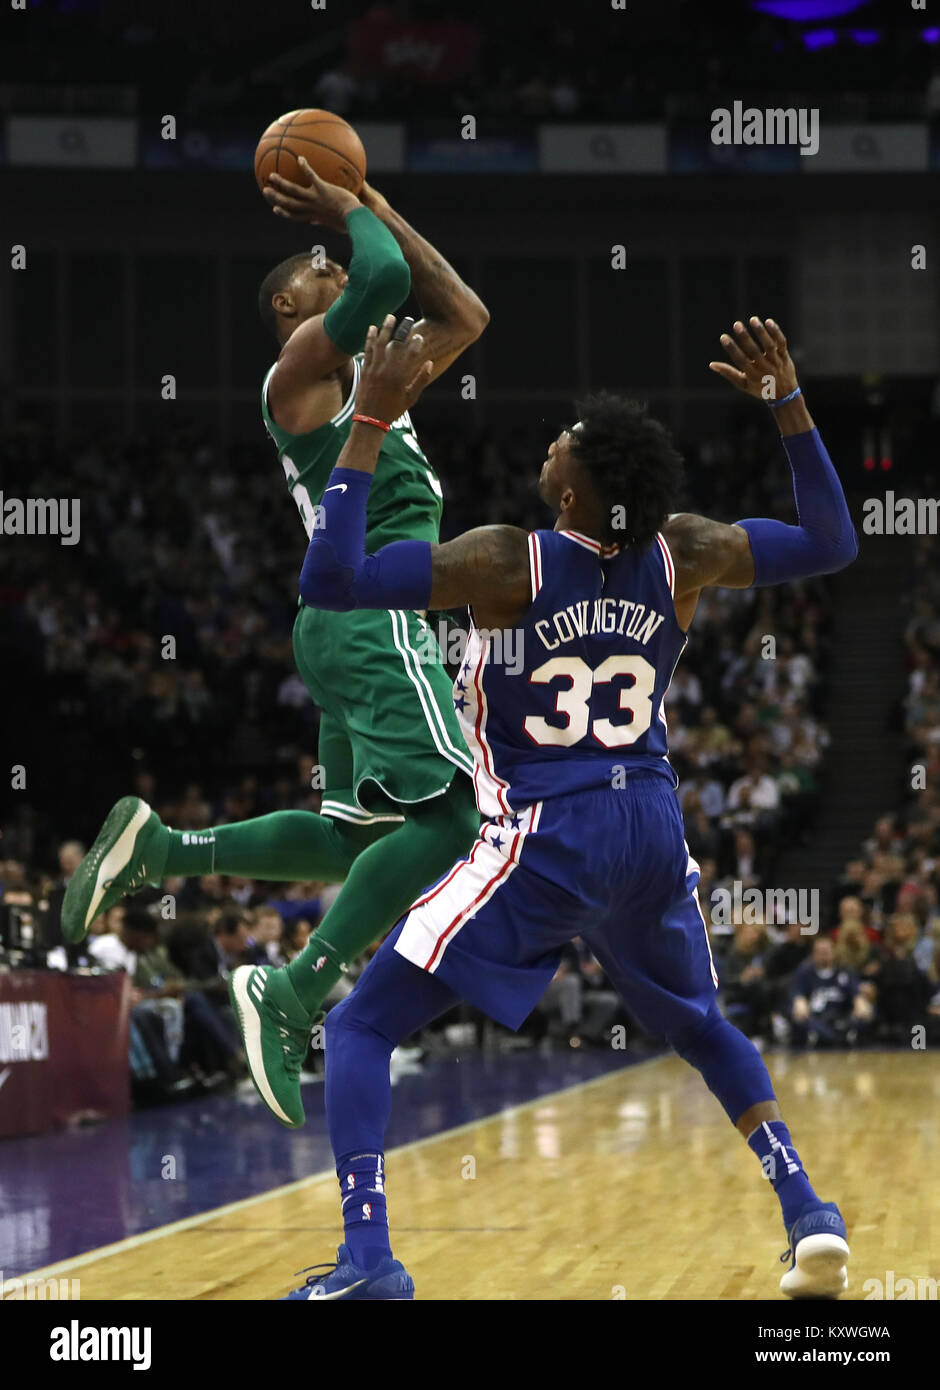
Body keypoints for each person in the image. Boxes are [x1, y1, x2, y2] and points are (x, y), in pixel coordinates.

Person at [273, 311, 858, 1300]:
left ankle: (368, 1259)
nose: (547, 443)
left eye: (561, 443)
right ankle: (808, 1215)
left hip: (548, 833)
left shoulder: (506, 564)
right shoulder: (684, 552)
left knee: (363, 1026)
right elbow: (834, 541)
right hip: (651, 825)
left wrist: (366, 421)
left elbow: (326, 580)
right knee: (704, 1023)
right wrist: (788, 406)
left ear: (575, 487)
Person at [59, 161, 491, 1127]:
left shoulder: (376, 386)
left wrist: (372, 203)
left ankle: (165, 850)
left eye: (334, 259)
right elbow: (380, 282)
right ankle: (294, 992)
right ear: (291, 306)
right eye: (319, 267)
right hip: (373, 615)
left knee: (354, 841)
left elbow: (463, 313)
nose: (339, 266)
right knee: (456, 820)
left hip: (345, 622)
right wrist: (343, 203)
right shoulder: (297, 378)